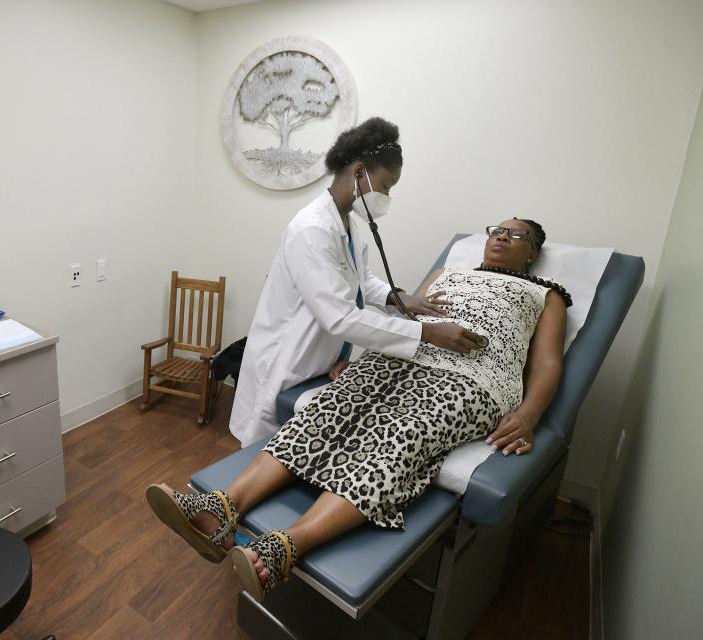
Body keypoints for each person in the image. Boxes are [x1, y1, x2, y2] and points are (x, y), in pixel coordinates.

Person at [147, 218, 570, 602]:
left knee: (398, 434)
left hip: (471, 379)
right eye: (497, 229)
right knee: (322, 411)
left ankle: (288, 545)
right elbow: (403, 319)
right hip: (401, 357)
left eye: (515, 235)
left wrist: (529, 415)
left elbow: (548, 362)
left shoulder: (545, 294)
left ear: (532, 252)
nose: (500, 237)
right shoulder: (448, 273)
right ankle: (223, 507)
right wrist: (365, 357)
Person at [229, 117, 483, 447]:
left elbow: (360, 280)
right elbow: (340, 316)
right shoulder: (312, 229)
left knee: (291, 454)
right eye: (387, 185)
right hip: (286, 362)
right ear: (360, 172)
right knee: (260, 453)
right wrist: (428, 332)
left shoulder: (347, 225)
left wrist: (397, 297)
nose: (388, 195)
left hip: (317, 362)